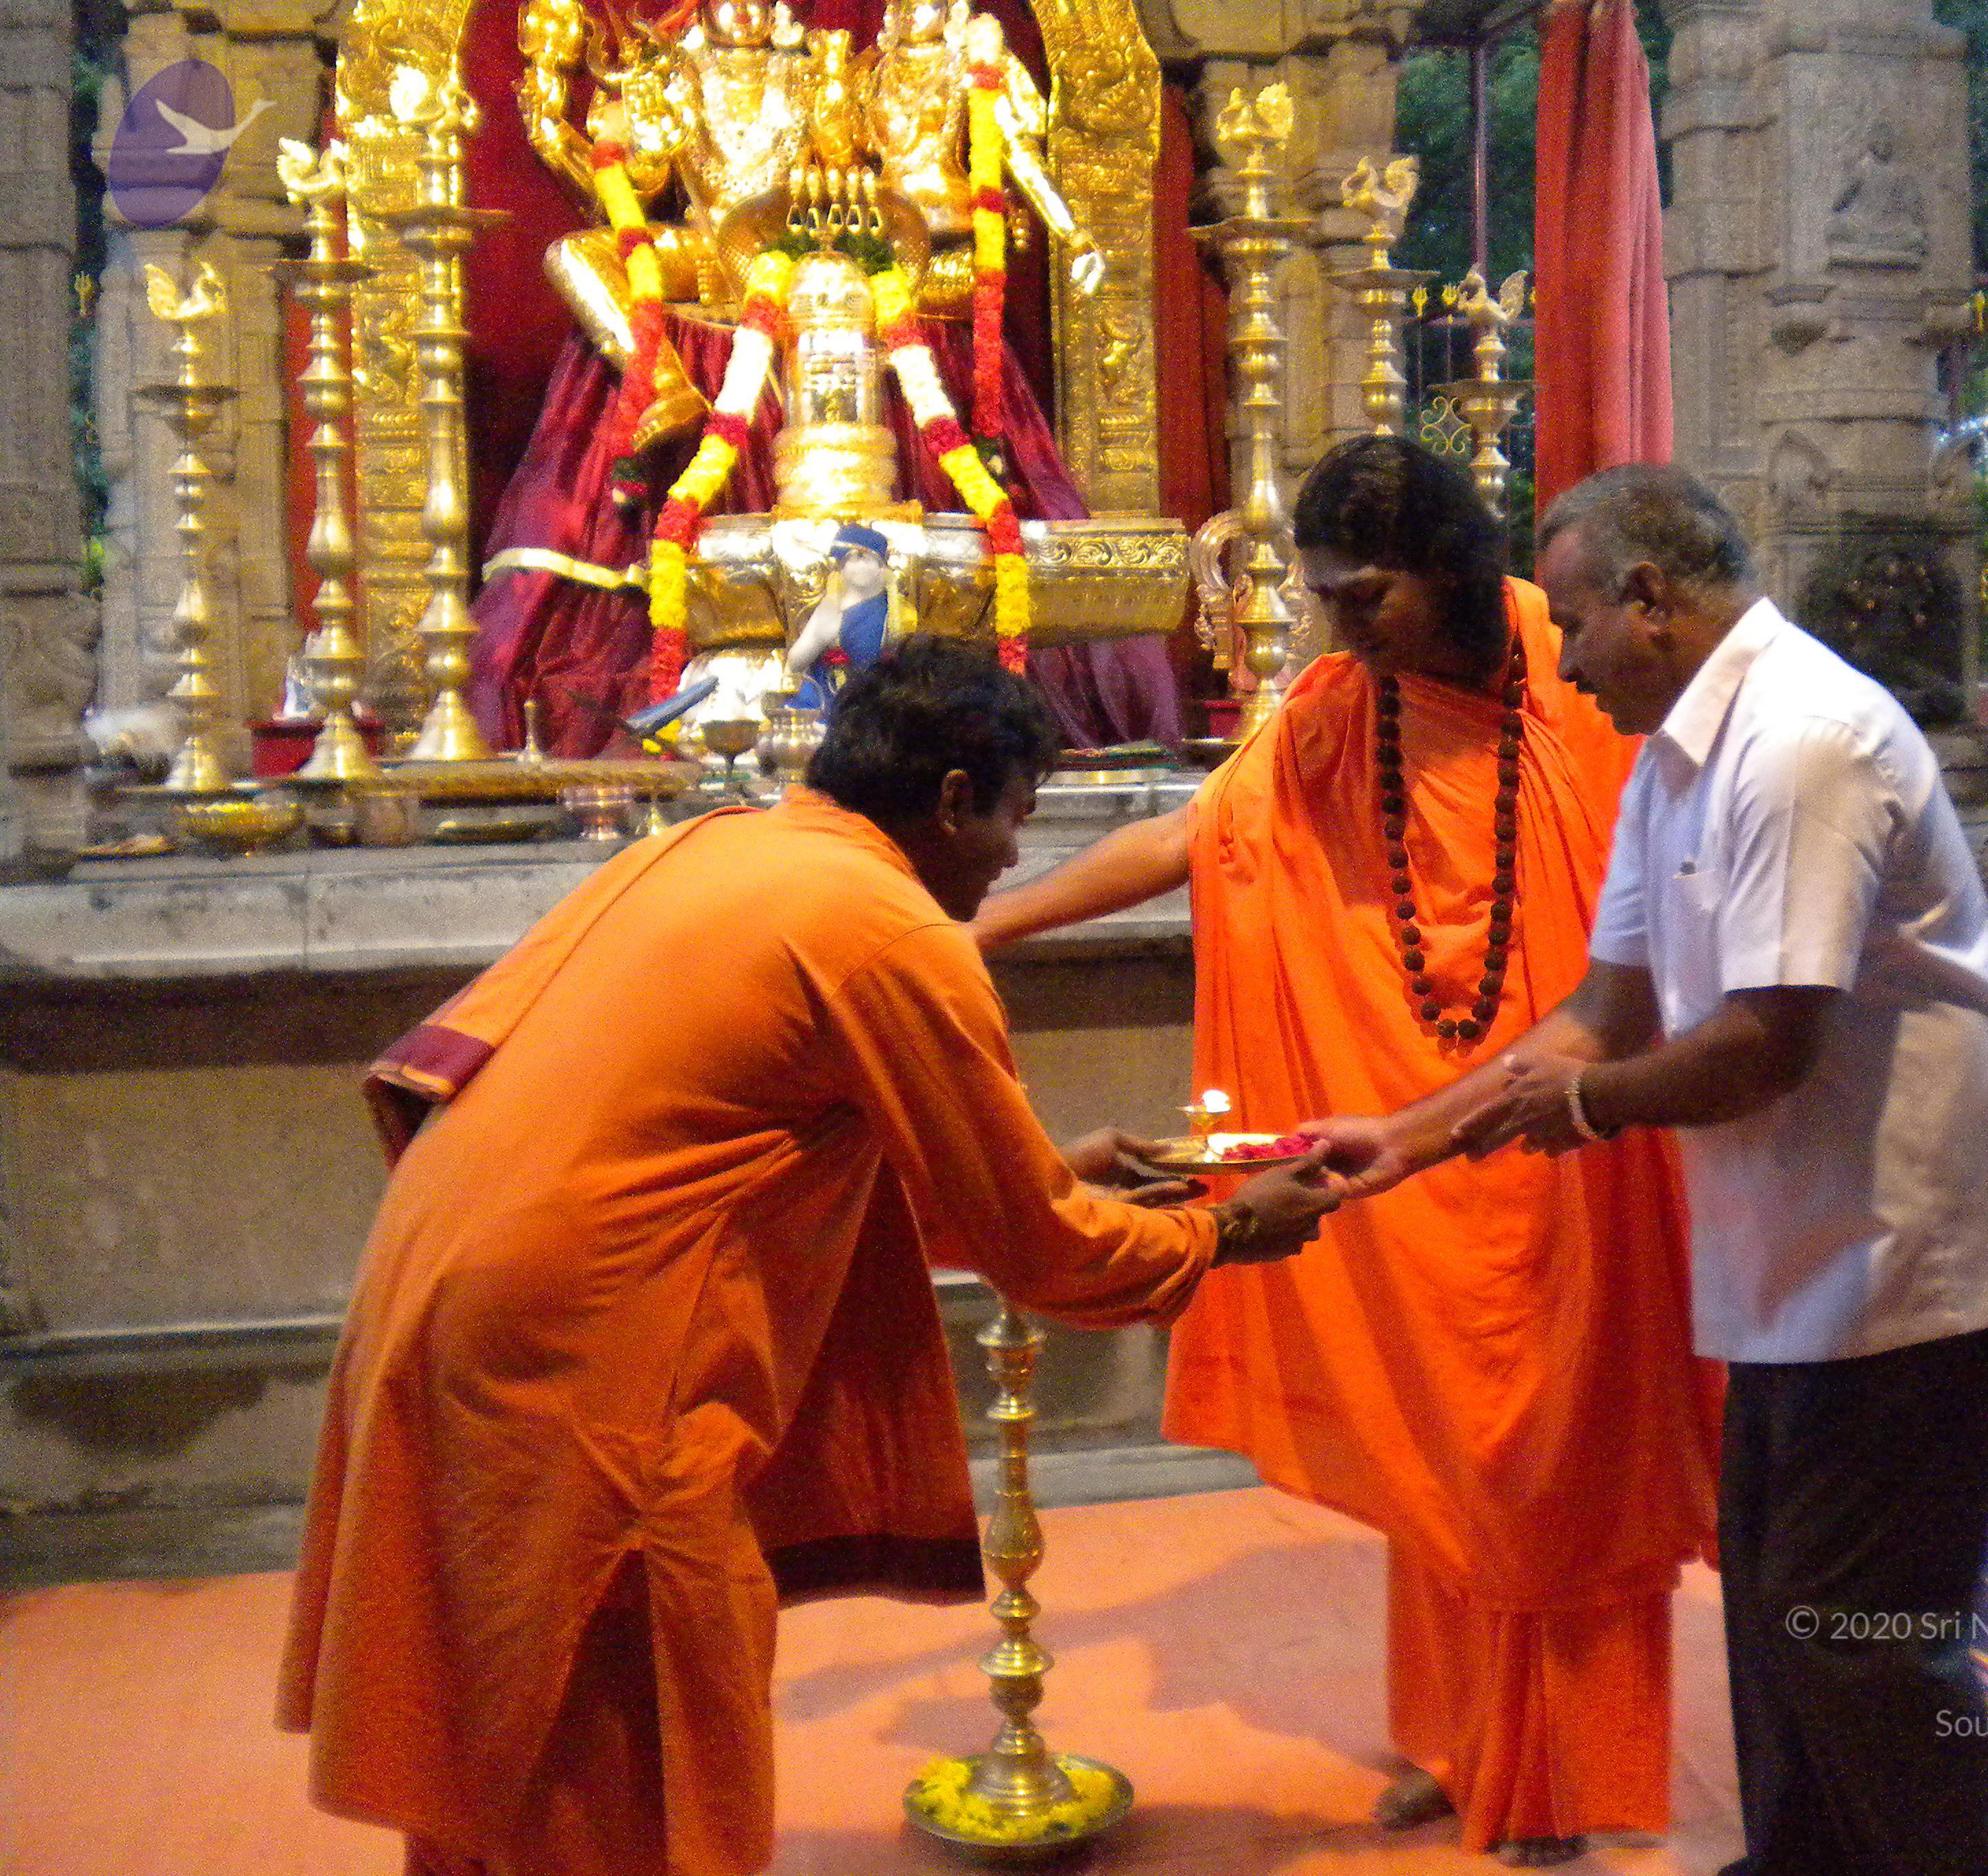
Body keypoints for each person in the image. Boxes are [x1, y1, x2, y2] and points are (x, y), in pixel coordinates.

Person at [277, 638, 1339, 1876]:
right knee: (614, 1729)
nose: (1013, 860)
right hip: (594, 1361)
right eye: (1016, 818)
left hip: (445, 1299)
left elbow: (743, 1144)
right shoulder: (886, 928)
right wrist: (1225, 1229)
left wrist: (1047, 1167)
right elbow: (1044, 1253)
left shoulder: (712, 844)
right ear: (953, 798)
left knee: (507, 1710)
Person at [974, 436, 1723, 1864]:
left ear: (1447, 567)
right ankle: (1465, 1741)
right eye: (1323, 595)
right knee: (1443, 1449)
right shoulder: (1342, 708)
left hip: (1564, 1125)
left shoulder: (1585, 676)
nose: (1337, 624)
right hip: (1401, 1136)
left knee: (1555, 1458)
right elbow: (1201, 832)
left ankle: (1561, 1773)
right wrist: (981, 928)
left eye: (1364, 594)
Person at [1310, 464, 1988, 1876]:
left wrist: (1588, 1112)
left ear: (1649, 598)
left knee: (1866, 1643)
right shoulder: (1674, 762)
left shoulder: (1803, 740)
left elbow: (1768, 1041)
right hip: (1795, 1259)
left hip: (1914, 1262)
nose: (1562, 658)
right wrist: (1395, 1143)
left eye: (1574, 620)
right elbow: (1605, 1009)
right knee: (1784, 1621)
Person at [785, 522, 892, 708]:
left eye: (864, 557)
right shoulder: (831, 607)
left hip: (876, 700)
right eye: (850, 559)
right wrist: (820, 638)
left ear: (881, 565)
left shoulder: (896, 611)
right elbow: (795, 662)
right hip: (829, 695)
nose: (857, 566)